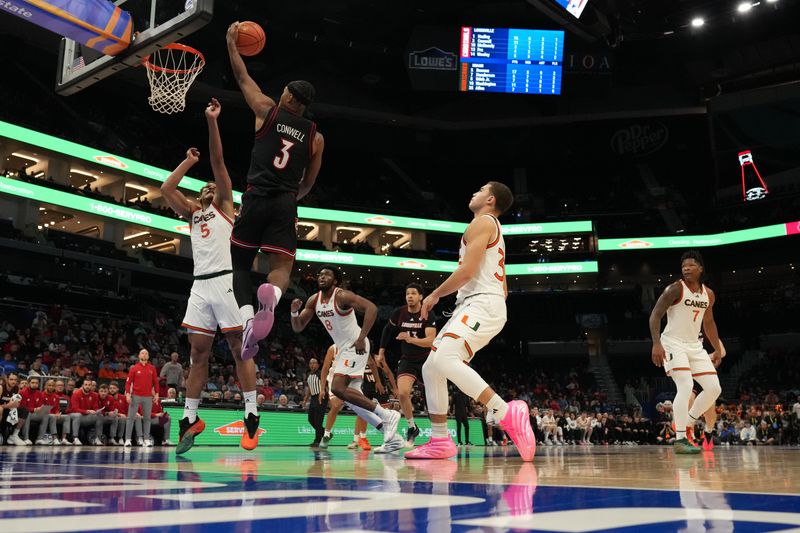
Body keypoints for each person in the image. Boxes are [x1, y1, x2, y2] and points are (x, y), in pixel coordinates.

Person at [405, 182, 536, 461]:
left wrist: (434, 296)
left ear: (490, 199)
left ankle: (503, 410)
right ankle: (440, 440)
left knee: (444, 359)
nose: (472, 192)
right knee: (431, 367)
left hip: (481, 303)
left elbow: (467, 271)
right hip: (481, 303)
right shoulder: (489, 228)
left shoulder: (482, 223)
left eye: (479, 190)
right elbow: (503, 286)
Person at [160, 99, 260, 454]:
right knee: (197, 355)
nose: (208, 186)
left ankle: (251, 415)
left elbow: (217, 162)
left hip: (226, 281)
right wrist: (188, 161)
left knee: (238, 349)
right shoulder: (192, 213)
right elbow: (166, 190)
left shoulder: (226, 205)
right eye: (204, 186)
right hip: (199, 287)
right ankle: (191, 419)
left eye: (212, 186)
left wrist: (212, 121)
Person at [226, 22, 326, 361]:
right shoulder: (315, 136)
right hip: (285, 201)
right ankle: (272, 297)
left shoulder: (268, 110)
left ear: (289, 97)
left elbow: (242, 79)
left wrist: (231, 45)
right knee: (281, 267)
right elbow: (309, 182)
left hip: (255, 196)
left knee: (239, 262)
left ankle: (246, 317)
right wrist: (291, 199)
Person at [290, 266, 404, 453]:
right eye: (320, 274)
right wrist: (294, 312)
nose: (322, 276)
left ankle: (387, 415)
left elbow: (371, 308)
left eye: (327, 274)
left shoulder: (342, 295)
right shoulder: (313, 300)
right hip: (343, 349)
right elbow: (298, 326)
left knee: (337, 388)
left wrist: (361, 338)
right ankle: (391, 438)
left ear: (335, 281)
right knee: (352, 400)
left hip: (355, 345)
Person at [649, 250, 724, 455]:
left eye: (691, 265)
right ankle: (681, 439)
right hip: (673, 343)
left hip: (695, 346)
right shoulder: (675, 288)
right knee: (686, 385)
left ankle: (688, 422)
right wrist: (656, 343)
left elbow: (709, 323)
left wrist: (717, 348)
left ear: (700, 268)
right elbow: (655, 316)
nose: (686, 268)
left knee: (713, 389)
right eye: (684, 266)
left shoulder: (708, 294)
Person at [376, 283, 437, 447]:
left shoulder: (428, 314)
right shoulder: (399, 313)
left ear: (421, 297)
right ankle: (412, 427)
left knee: (431, 400)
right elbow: (387, 330)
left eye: (413, 293)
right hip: (408, 360)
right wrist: (381, 351)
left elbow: (431, 341)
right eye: (407, 293)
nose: (410, 296)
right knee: (402, 393)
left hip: (427, 360)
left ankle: (438, 435)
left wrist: (410, 339)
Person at [123, 349, 159, 447]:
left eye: (146, 353)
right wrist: (127, 394)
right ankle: (127, 439)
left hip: (148, 396)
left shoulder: (152, 368)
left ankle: (146, 439)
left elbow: (156, 382)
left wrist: (156, 394)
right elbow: (128, 382)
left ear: (148, 356)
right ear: (139, 356)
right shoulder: (134, 368)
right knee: (130, 418)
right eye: (143, 353)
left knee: (147, 418)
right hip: (135, 396)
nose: (145, 354)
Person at [304, 357, 326, 447]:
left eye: (314, 363)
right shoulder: (309, 375)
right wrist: (305, 399)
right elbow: (310, 388)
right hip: (313, 398)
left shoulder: (321, 374)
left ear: (318, 365)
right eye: (310, 363)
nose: (312, 365)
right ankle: (325, 433)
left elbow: (325, 385)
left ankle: (317, 440)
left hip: (321, 397)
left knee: (318, 420)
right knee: (310, 419)